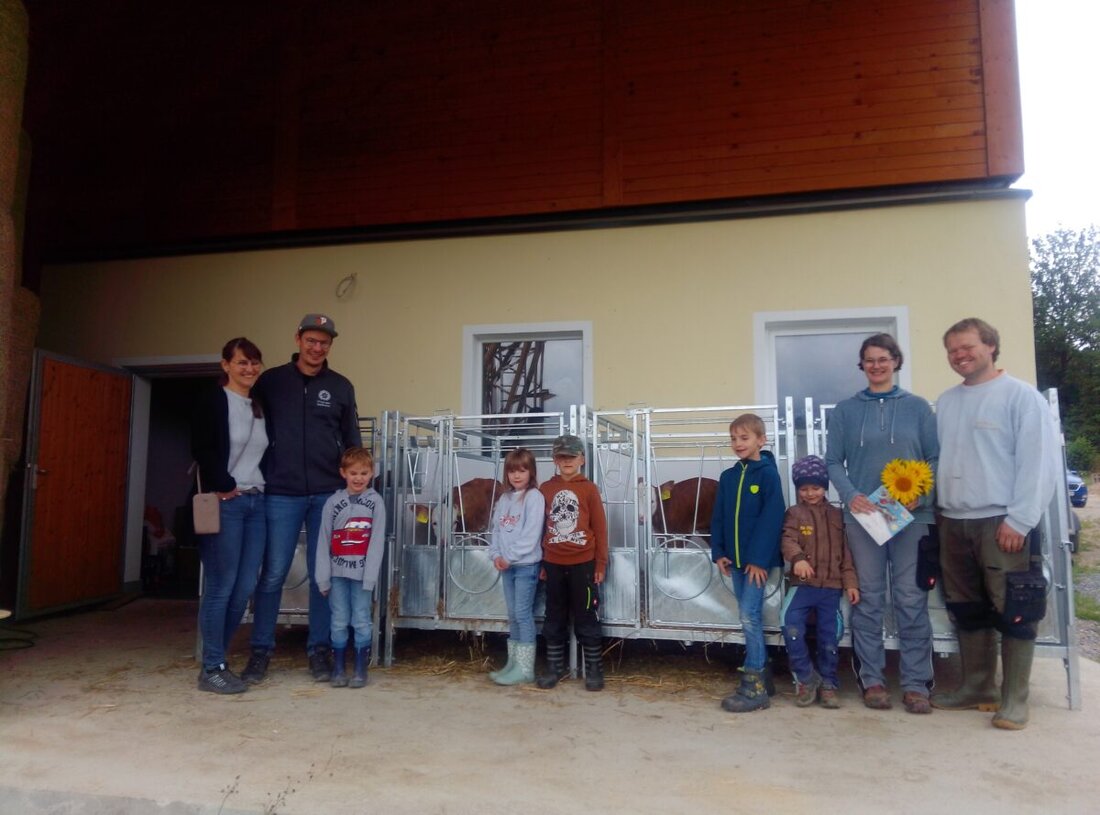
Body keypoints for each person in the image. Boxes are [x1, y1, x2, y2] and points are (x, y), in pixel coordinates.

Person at [933, 317, 1059, 730]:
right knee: (966, 607)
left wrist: (1020, 519)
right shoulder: (947, 401)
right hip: (953, 519)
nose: (960, 355)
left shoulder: (1021, 397)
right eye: (952, 350)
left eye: (967, 347)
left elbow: (1037, 463)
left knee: (1015, 609)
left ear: (990, 346)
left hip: (1000, 521)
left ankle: (1015, 700)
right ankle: (977, 687)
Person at [241, 314, 362, 684]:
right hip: (280, 492)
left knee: (321, 576)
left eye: (324, 342)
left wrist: (356, 487)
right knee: (273, 573)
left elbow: (353, 441)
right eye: (311, 340)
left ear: (330, 345)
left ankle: (319, 651)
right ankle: (260, 651)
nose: (317, 347)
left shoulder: (341, 386)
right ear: (297, 339)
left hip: (327, 494)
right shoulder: (272, 382)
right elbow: (247, 427)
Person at [825, 333, 938, 714]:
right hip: (865, 518)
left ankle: (916, 684)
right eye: (869, 360)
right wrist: (851, 494)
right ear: (862, 365)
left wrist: (921, 493)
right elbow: (831, 462)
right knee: (869, 599)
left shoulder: (919, 408)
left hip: (911, 517)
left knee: (910, 598)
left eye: (883, 358)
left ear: (896, 361)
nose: (876, 365)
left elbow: (936, 458)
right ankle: (872, 679)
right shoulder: (845, 411)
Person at [191, 337, 269, 694]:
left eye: (254, 363)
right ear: (225, 365)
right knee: (221, 586)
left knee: (244, 588)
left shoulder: (258, 404)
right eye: (241, 363)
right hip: (226, 502)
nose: (249, 369)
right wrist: (222, 483)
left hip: (256, 501)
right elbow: (203, 447)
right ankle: (212, 667)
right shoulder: (212, 399)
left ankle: (217, 659)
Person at [710, 413, 785, 713]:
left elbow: (772, 518)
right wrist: (718, 552)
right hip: (735, 563)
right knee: (748, 614)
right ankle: (764, 677)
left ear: (761, 440)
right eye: (734, 439)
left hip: (755, 564)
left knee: (749, 616)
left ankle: (754, 683)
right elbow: (719, 517)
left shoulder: (767, 474)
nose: (738, 444)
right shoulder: (729, 477)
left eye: (745, 438)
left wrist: (758, 559)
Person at [780, 455, 860, 709]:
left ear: (825, 487)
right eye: (804, 488)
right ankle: (805, 677)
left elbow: (847, 553)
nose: (810, 493)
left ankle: (828, 683)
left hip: (831, 589)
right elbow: (787, 540)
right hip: (803, 586)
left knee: (830, 637)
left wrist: (850, 583)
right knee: (790, 626)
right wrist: (798, 559)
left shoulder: (838, 516)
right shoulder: (794, 513)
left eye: (815, 487)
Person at [536, 434, 609, 691]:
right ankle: (554, 667)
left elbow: (599, 527)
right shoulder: (545, 489)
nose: (567, 461)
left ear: (582, 459)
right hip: (553, 563)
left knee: (586, 615)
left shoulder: (589, 489)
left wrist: (600, 563)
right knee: (554, 614)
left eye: (572, 456)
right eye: (562, 456)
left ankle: (593, 671)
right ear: (555, 460)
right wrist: (542, 563)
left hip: (584, 564)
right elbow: (539, 526)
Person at [314, 447, 386, 689]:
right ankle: (338, 668)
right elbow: (323, 541)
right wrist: (323, 578)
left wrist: (370, 577)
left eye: (364, 473)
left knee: (362, 619)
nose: (358, 478)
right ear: (343, 473)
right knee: (339, 620)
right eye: (353, 473)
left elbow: (376, 542)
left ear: (372, 473)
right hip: (337, 574)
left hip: (361, 574)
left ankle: (359, 668)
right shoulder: (332, 503)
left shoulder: (376, 503)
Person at [487, 448, 546, 686]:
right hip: (507, 566)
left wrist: (509, 556)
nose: (517, 476)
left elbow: (531, 535)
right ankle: (512, 664)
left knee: (523, 614)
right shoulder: (504, 498)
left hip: (525, 566)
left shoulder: (534, 497)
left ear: (531, 471)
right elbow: (497, 530)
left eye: (522, 470)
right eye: (512, 471)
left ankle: (525, 669)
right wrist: (495, 554)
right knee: (512, 615)